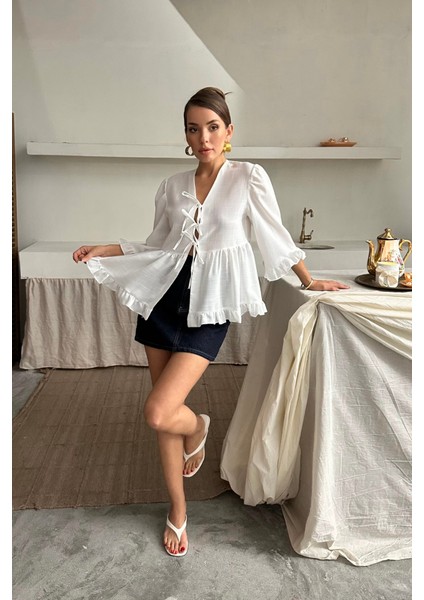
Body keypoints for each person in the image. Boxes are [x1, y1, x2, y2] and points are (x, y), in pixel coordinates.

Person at [73, 87, 349, 558]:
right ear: (185, 135)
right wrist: (107, 248)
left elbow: (273, 234)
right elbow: (159, 244)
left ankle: (198, 427)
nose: (204, 137)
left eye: (213, 127)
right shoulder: (171, 185)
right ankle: (178, 509)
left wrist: (308, 279)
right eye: (193, 129)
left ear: (228, 131)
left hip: (209, 307)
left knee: (160, 410)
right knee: (164, 420)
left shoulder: (248, 177)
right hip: (164, 299)